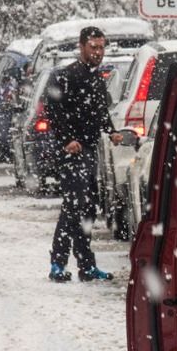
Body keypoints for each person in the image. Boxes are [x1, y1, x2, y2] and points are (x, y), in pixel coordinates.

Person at [43, 26, 125, 282]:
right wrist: (67, 140)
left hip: (90, 151)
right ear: (82, 46)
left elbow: (100, 111)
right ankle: (58, 264)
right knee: (73, 207)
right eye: (94, 47)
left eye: (101, 48)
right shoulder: (65, 76)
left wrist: (111, 131)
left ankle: (86, 266)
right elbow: (54, 112)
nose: (98, 53)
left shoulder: (95, 77)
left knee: (87, 209)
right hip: (71, 153)